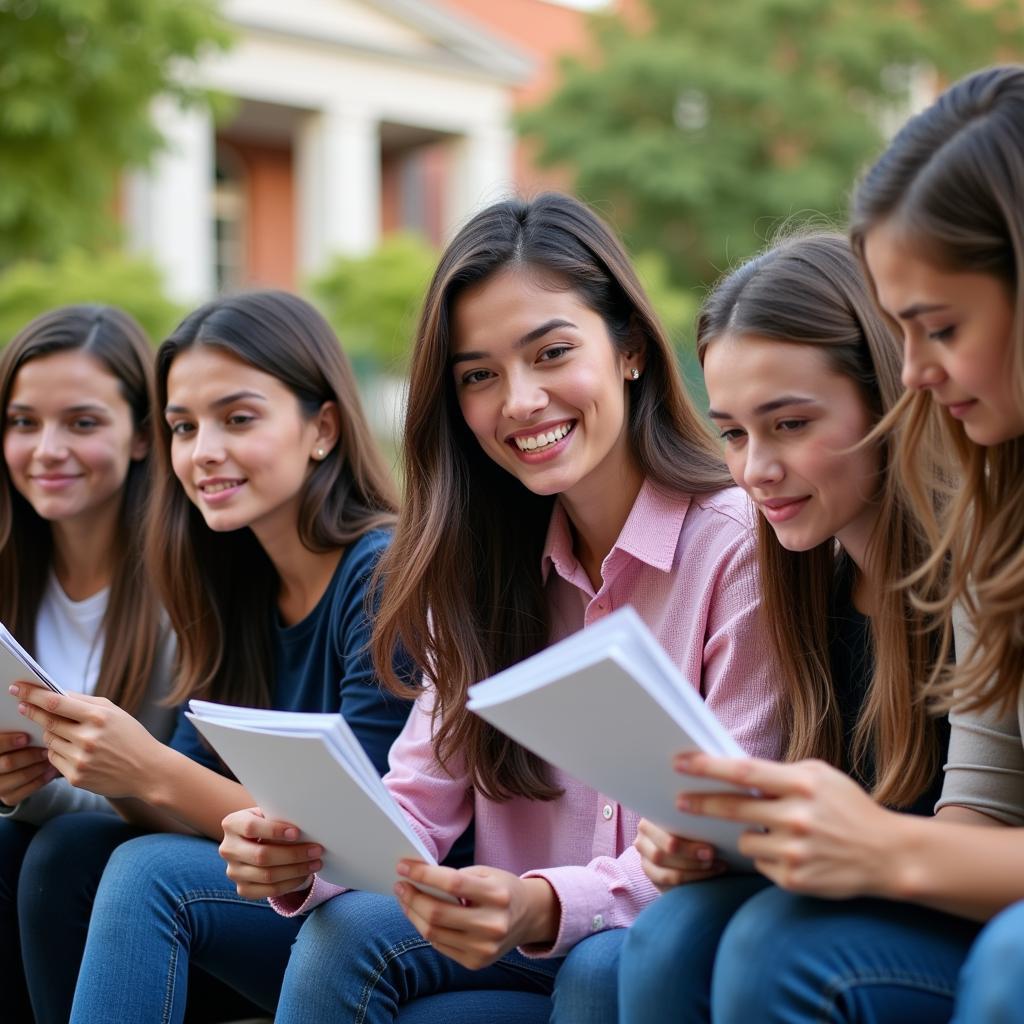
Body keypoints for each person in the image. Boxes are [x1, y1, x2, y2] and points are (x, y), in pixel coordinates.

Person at [218, 192, 784, 1023]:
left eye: (551, 352)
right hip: (518, 952)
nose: (519, 402)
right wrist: (305, 854)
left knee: (602, 968)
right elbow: (415, 801)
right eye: (479, 375)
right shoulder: (476, 565)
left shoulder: (737, 545)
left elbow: (728, 825)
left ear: (629, 348)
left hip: (668, 947)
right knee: (344, 933)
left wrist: (544, 903)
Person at [641, 65, 1024, 1023]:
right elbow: (983, 808)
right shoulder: (990, 509)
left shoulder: (961, 538)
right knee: (666, 937)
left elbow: (951, 836)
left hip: (978, 928)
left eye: (937, 328)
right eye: (732, 432)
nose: (918, 374)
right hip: (949, 894)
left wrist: (879, 848)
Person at [12, 291, 414, 1022]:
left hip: (392, 918)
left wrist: (148, 767)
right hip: (283, 895)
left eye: (238, 419)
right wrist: (71, 768)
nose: (203, 453)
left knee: (147, 873)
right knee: (62, 845)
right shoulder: (232, 585)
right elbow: (185, 802)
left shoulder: (383, 574)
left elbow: (370, 841)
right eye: (183, 426)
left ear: (322, 427)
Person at [616, 232, 951, 1023]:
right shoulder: (800, 585)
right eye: (733, 433)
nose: (754, 470)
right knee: (669, 934)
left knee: (770, 945)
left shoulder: (969, 583)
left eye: (790, 424)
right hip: (867, 909)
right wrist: (710, 844)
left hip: (964, 916)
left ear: (889, 396)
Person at [0, 305, 177, 1022]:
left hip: (139, 880)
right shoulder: (11, 575)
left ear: (140, 436)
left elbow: (169, 794)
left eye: (81, 422)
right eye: (21, 422)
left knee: (49, 847)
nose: (45, 449)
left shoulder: (184, 589)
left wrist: (31, 794)